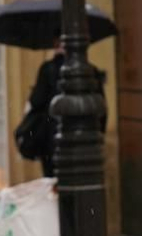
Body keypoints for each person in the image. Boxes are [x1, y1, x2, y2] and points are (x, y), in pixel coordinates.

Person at [14, 42, 107, 178]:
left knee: (54, 185)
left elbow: (37, 101)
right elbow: (102, 109)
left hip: (53, 143)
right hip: (86, 144)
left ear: (56, 43)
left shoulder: (48, 69)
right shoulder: (90, 70)